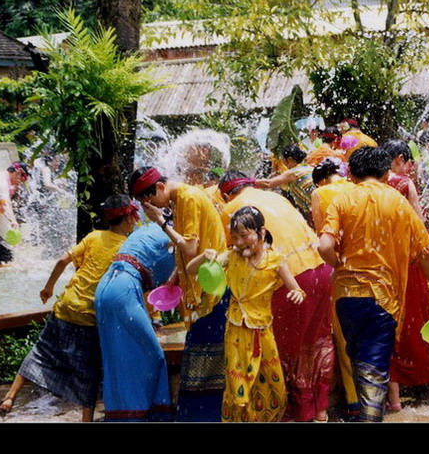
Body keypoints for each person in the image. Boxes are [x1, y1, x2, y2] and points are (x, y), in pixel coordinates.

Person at [318, 146, 429, 422]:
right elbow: (426, 255)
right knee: (375, 366)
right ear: (384, 173)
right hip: (383, 300)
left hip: (346, 298)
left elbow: (324, 246)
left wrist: (339, 265)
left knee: (361, 359)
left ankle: (369, 416)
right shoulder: (397, 201)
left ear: (353, 175)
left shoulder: (342, 201)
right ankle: (370, 419)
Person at [0, 195, 138, 421]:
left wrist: (48, 289)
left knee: (41, 352)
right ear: (128, 218)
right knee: (88, 372)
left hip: (66, 306)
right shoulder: (127, 248)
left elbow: (61, 261)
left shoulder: (93, 236)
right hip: (89, 315)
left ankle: (9, 398)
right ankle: (86, 420)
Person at [219, 170, 334, 422]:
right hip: (321, 269)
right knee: (317, 341)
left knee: (284, 348)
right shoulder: (276, 197)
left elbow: (233, 254)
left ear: (226, 195)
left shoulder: (234, 210)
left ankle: (294, 412)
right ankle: (321, 408)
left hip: (288, 275)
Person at [128, 166, 228, 422]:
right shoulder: (180, 200)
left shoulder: (189, 198)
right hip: (200, 288)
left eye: (150, 202)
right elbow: (186, 248)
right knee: (199, 357)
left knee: (205, 359)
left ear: (160, 187)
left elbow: (191, 247)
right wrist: (175, 276)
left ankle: (206, 417)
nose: (151, 208)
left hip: (211, 289)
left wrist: (161, 222)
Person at [193, 206, 305, 422]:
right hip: (235, 331)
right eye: (235, 237)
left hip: (262, 332)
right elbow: (190, 269)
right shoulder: (232, 257)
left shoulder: (276, 261)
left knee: (274, 385)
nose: (239, 242)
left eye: (244, 236)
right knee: (238, 385)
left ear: (261, 232)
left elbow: (297, 289)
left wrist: (298, 295)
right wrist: (206, 257)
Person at [380, 140, 429, 409]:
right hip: (409, 262)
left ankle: (394, 399)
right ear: (398, 159)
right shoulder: (404, 184)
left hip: (383, 264)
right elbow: (419, 228)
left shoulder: (368, 186)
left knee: (390, 325)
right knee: (420, 319)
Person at [94, 222, 176, 421]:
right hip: (124, 289)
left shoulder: (148, 229)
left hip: (106, 285)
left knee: (118, 355)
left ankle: (121, 416)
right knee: (154, 355)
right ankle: (151, 415)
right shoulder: (174, 237)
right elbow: (172, 281)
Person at [309, 158, 358, 417]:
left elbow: (321, 235)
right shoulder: (355, 187)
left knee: (344, 333)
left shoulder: (320, 193)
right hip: (368, 265)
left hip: (341, 267)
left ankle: (353, 401)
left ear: (320, 180)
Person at [255, 144, 316, 226]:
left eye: (283, 160)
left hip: (317, 205)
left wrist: (248, 181)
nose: (283, 162)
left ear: (290, 159)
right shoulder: (308, 167)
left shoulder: (292, 173)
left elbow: (268, 183)